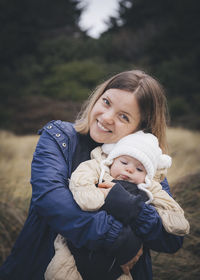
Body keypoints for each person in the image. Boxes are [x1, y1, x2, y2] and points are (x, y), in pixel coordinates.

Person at [0, 70, 184, 280]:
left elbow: (171, 239)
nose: (106, 118)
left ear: (140, 129)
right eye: (106, 102)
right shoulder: (60, 138)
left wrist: (132, 208)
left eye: (123, 116)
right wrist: (119, 238)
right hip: (39, 268)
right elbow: (50, 200)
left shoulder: (145, 166)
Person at [45, 131, 189, 280]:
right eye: (124, 162)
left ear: (148, 176)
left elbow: (171, 215)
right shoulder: (98, 170)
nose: (129, 169)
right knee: (62, 271)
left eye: (139, 169)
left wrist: (169, 218)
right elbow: (80, 182)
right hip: (78, 251)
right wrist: (96, 195)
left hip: (120, 268)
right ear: (112, 160)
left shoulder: (149, 188)